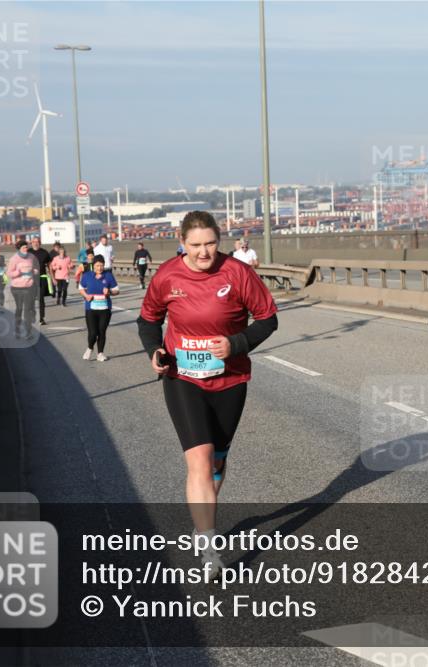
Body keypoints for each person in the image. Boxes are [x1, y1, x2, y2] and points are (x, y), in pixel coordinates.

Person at [137, 211, 278, 578]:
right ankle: (209, 547)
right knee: (198, 460)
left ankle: (204, 519)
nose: (204, 253)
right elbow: (149, 319)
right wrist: (154, 350)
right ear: (181, 242)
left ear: (220, 240)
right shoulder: (167, 275)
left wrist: (237, 343)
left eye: (211, 244)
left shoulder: (238, 273)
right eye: (196, 245)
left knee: (216, 461)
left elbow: (267, 319)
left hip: (230, 379)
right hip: (182, 377)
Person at [79, 254, 119, 361]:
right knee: (93, 333)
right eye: (97, 265)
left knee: (102, 331)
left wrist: (110, 292)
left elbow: (117, 290)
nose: (99, 268)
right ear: (93, 265)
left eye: (101, 265)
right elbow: (81, 288)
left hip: (105, 309)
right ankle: (89, 348)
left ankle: (100, 353)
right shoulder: (87, 275)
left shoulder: (108, 276)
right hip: (91, 309)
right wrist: (86, 296)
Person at [7, 239, 40, 340]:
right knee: (19, 309)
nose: (26, 248)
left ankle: (28, 332)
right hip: (17, 287)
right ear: (19, 249)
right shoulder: (14, 259)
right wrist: (18, 272)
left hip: (29, 286)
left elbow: (36, 268)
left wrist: (34, 271)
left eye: (27, 247)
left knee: (27, 310)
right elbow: (9, 273)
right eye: (24, 247)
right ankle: (17, 330)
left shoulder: (31, 257)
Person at [28, 237, 53, 325]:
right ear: (31, 243)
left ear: (40, 243)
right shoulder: (28, 252)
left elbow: (49, 265)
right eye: (34, 242)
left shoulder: (44, 252)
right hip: (30, 278)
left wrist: (52, 277)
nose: (36, 243)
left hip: (42, 278)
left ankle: (41, 318)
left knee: (41, 298)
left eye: (37, 242)